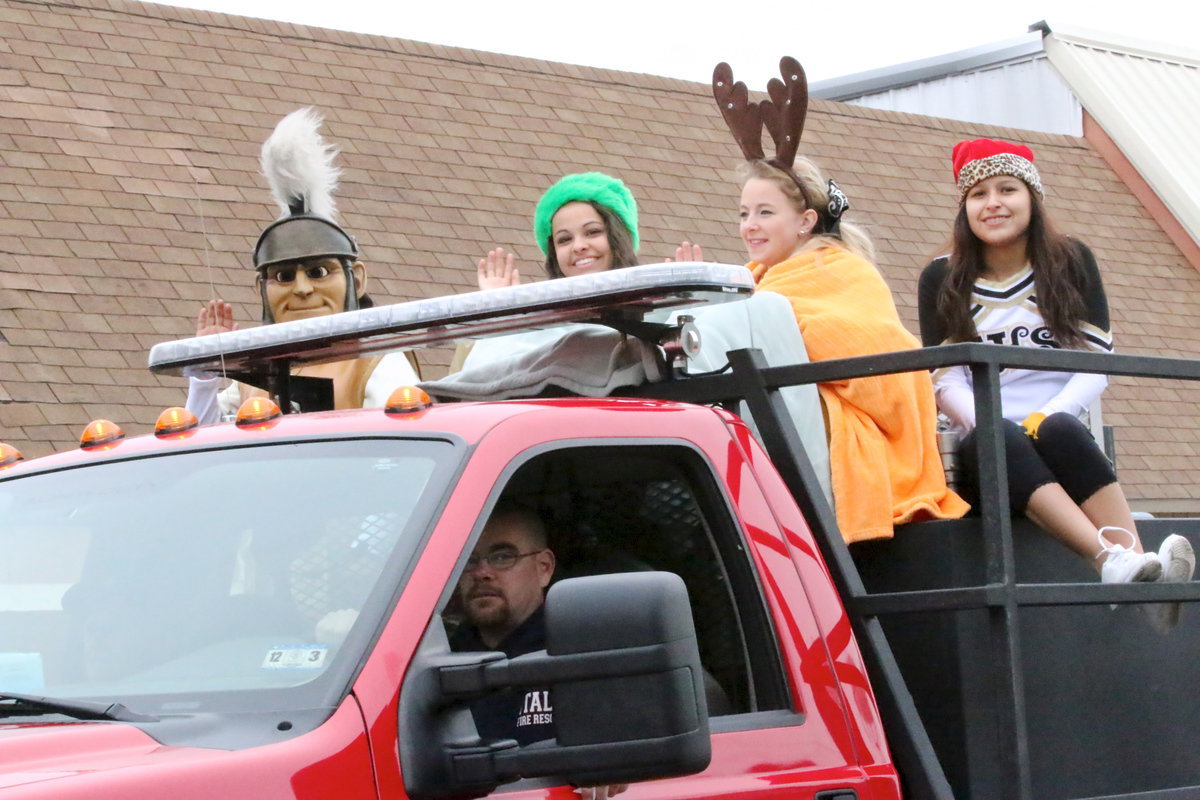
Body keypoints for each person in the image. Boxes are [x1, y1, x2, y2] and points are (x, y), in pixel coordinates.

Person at [917, 137, 1195, 621]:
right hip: (986, 443)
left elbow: (1094, 361)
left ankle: (1139, 573)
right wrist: (987, 420)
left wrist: (1051, 412)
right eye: (978, 194)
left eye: (1007, 189)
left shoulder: (1071, 260)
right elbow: (944, 380)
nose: (994, 204)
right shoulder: (941, 278)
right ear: (964, 208)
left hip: (1055, 427)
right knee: (1000, 436)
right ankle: (1113, 561)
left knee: (1060, 428)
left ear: (1032, 198)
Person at [712, 57, 968, 544]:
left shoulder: (844, 271)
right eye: (744, 212)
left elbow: (880, 359)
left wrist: (766, 322)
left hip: (838, 428)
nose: (750, 225)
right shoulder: (750, 281)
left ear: (805, 221)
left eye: (766, 212)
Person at [185, 108, 419, 423]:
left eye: (318, 272)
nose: (303, 288)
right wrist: (206, 371)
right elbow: (202, 442)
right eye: (283, 276)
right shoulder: (254, 377)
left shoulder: (377, 363)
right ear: (262, 290)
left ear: (357, 279)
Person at [449, 506, 627, 800]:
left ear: (544, 567)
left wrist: (612, 763)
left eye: (503, 556)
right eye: (469, 560)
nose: (481, 573)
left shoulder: (588, 653)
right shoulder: (428, 659)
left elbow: (635, 743)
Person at [475, 171, 701, 292]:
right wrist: (498, 309)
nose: (579, 246)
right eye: (564, 239)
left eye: (592, 232)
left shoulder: (659, 306)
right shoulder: (539, 323)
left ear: (618, 237)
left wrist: (696, 300)